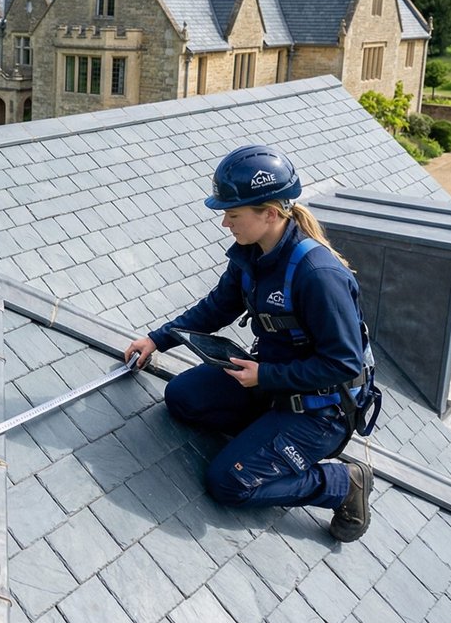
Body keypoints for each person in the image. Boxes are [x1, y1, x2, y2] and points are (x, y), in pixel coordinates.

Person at [124, 144, 377, 542]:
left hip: (320, 411)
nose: (225, 222)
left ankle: (342, 482)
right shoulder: (252, 253)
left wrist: (267, 375)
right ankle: (266, 440)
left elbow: (343, 364)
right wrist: (156, 340)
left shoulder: (318, 275)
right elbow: (217, 307)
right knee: (182, 397)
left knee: (229, 483)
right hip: (271, 384)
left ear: (270, 214)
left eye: (233, 214)